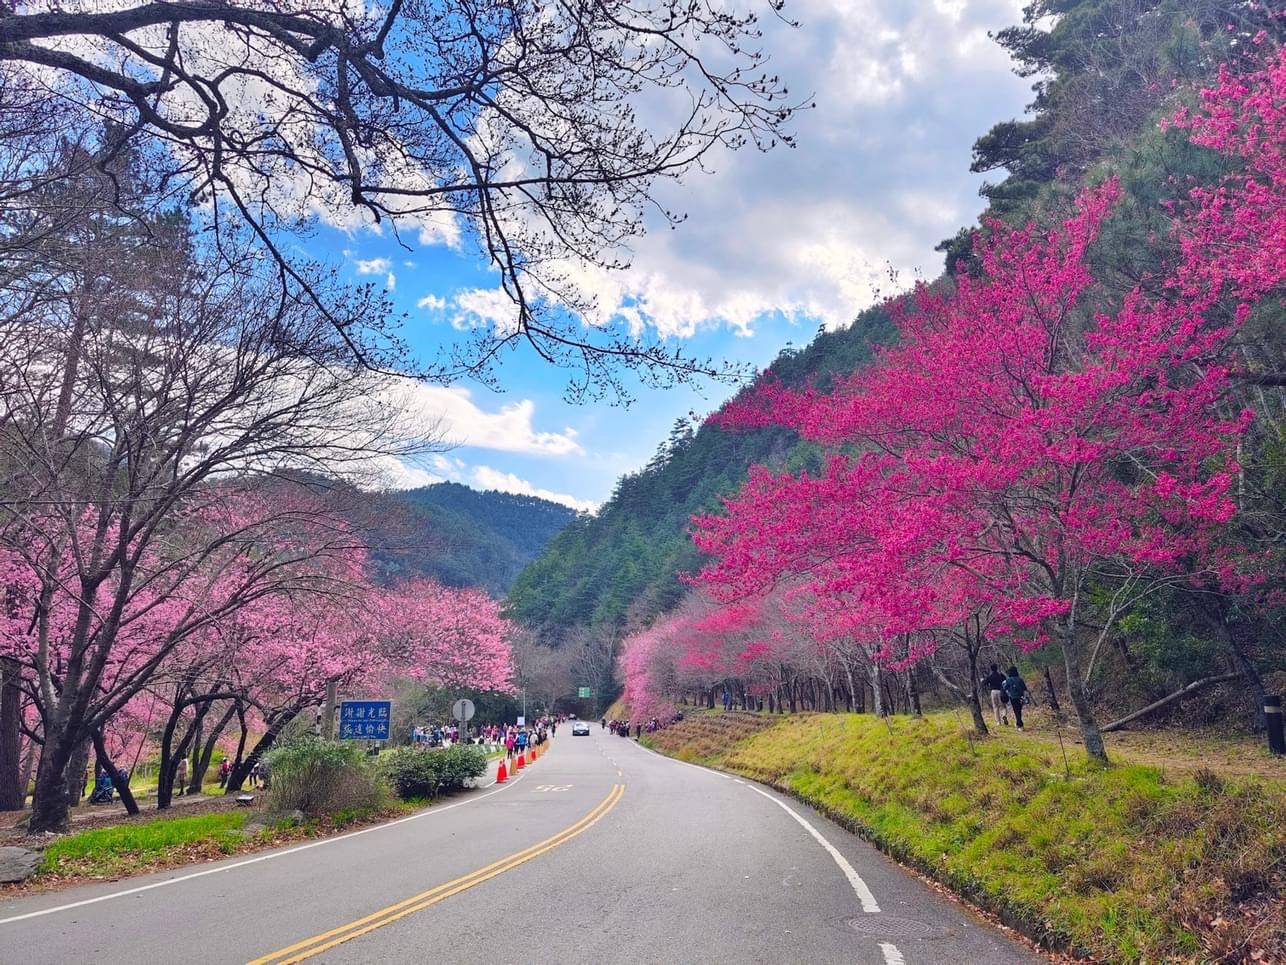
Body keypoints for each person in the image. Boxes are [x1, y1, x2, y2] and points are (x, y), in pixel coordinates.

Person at [1003, 666, 1029, 730]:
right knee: (1019, 710)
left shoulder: (1008, 680)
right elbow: (1024, 688)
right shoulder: (1020, 679)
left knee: (1016, 710)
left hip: (1013, 697)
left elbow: (1005, 688)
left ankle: (1020, 725)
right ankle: (1018, 723)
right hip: (1020, 697)